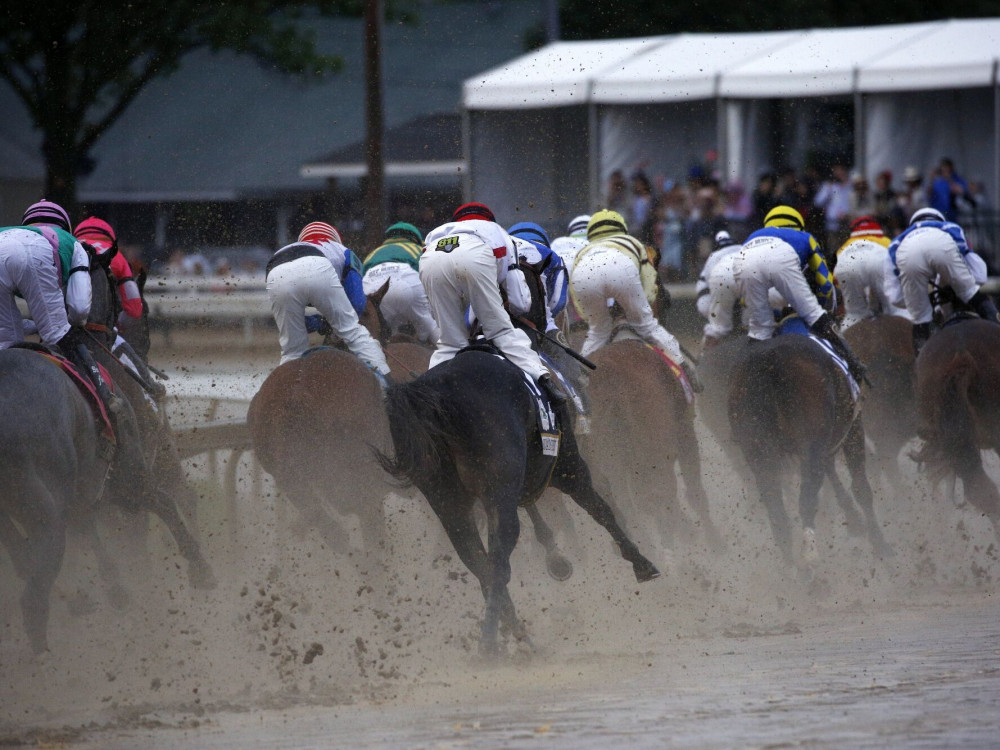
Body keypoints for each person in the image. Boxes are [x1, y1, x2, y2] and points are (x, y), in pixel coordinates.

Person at [419, 203, 565, 405]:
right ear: (489, 220)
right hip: (473, 257)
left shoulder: (438, 232)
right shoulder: (500, 234)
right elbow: (520, 302)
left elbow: (447, 310)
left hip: (430, 258)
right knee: (502, 333)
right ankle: (545, 382)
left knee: (449, 343)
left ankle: (427, 396)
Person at [1, 200, 126, 414]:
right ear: (66, 227)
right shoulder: (73, 243)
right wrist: (64, 326)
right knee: (60, 336)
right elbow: (78, 310)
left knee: (6, 344)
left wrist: (36, 325)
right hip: (35, 256)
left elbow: (15, 323)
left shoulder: (9, 232)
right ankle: (106, 397)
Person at [570, 209, 701, 390]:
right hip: (621, 267)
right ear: (622, 230)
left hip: (584, 271)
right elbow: (649, 285)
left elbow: (577, 297)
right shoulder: (633, 243)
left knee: (597, 332)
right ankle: (685, 368)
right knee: (647, 325)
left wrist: (597, 319)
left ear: (591, 234)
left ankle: (581, 381)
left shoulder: (583, 251)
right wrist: (639, 307)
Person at [736, 205, 868, 383]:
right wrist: (822, 308)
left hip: (744, 260)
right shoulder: (805, 237)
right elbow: (826, 284)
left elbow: (745, 301)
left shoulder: (752, 237)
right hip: (782, 264)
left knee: (760, 330)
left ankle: (744, 378)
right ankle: (855, 365)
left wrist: (769, 314)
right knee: (815, 315)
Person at [265, 221, 390, 379]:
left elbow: (295, 321)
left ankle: (283, 395)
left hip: (275, 270)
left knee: (292, 352)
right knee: (355, 334)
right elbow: (358, 305)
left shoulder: (285, 250)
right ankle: (388, 388)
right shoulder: (342, 250)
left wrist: (320, 323)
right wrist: (334, 323)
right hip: (318, 266)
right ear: (335, 239)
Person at [75, 216, 165, 399]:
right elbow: (134, 309)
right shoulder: (116, 257)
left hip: (61, 335)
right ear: (110, 238)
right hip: (101, 338)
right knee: (133, 367)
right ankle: (150, 392)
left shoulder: (66, 252)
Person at [887, 207, 998, 353]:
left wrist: (919, 304)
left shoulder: (898, 240)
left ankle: (920, 365)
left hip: (908, 252)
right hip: (941, 244)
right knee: (971, 292)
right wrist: (967, 289)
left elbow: (895, 298)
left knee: (920, 319)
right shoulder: (951, 227)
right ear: (939, 219)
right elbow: (980, 274)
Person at [361, 222, 439, 344]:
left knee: (379, 337)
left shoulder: (374, 253)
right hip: (406, 280)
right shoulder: (419, 249)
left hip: (372, 285)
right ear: (416, 239)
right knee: (430, 326)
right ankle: (450, 355)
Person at [834, 216, 908, 330]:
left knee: (854, 314)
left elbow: (837, 281)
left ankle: (844, 344)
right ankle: (914, 340)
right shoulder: (886, 241)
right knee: (895, 309)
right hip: (878, 261)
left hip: (848, 262)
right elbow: (898, 268)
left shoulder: (844, 247)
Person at [697, 230, 743, 345]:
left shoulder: (713, 257)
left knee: (717, 329)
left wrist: (717, 318)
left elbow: (704, 304)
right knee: (757, 327)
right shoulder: (743, 248)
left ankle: (704, 360)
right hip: (749, 279)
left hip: (721, 282)